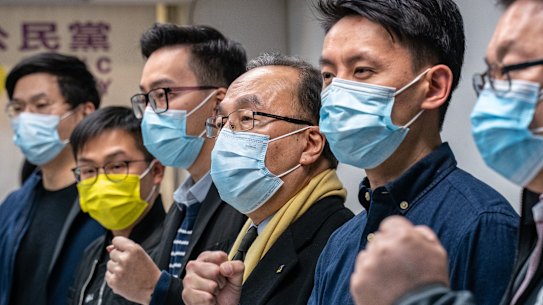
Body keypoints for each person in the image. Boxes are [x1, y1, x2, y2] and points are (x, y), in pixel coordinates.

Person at [307, 1, 520, 305]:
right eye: (328, 75)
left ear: (433, 87)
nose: (336, 93)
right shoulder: (341, 243)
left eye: (362, 70)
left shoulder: (483, 224)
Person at [181, 53, 354, 305]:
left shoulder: (338, 245)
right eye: (222, 123)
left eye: (248, 118)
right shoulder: (244, 238)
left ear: (310, 144)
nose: (226, 136)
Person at [104, 24, 247, 305]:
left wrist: (154, 289)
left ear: (218, 102)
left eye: (162, 95)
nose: (148, 113)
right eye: (146, 98)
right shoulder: (185, 201)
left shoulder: (246, 198)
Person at [0, 52, 104, 305]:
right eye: (18, 108)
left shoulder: (112, 199)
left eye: (41, 105)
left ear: (84, 112)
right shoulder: (12, 206)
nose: (26, 117)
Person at [68, 106, 166, 305]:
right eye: (88, 170)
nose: (101, 180)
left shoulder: (175, 247)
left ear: (155, 171)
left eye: (117, 166)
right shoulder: (93, 254)